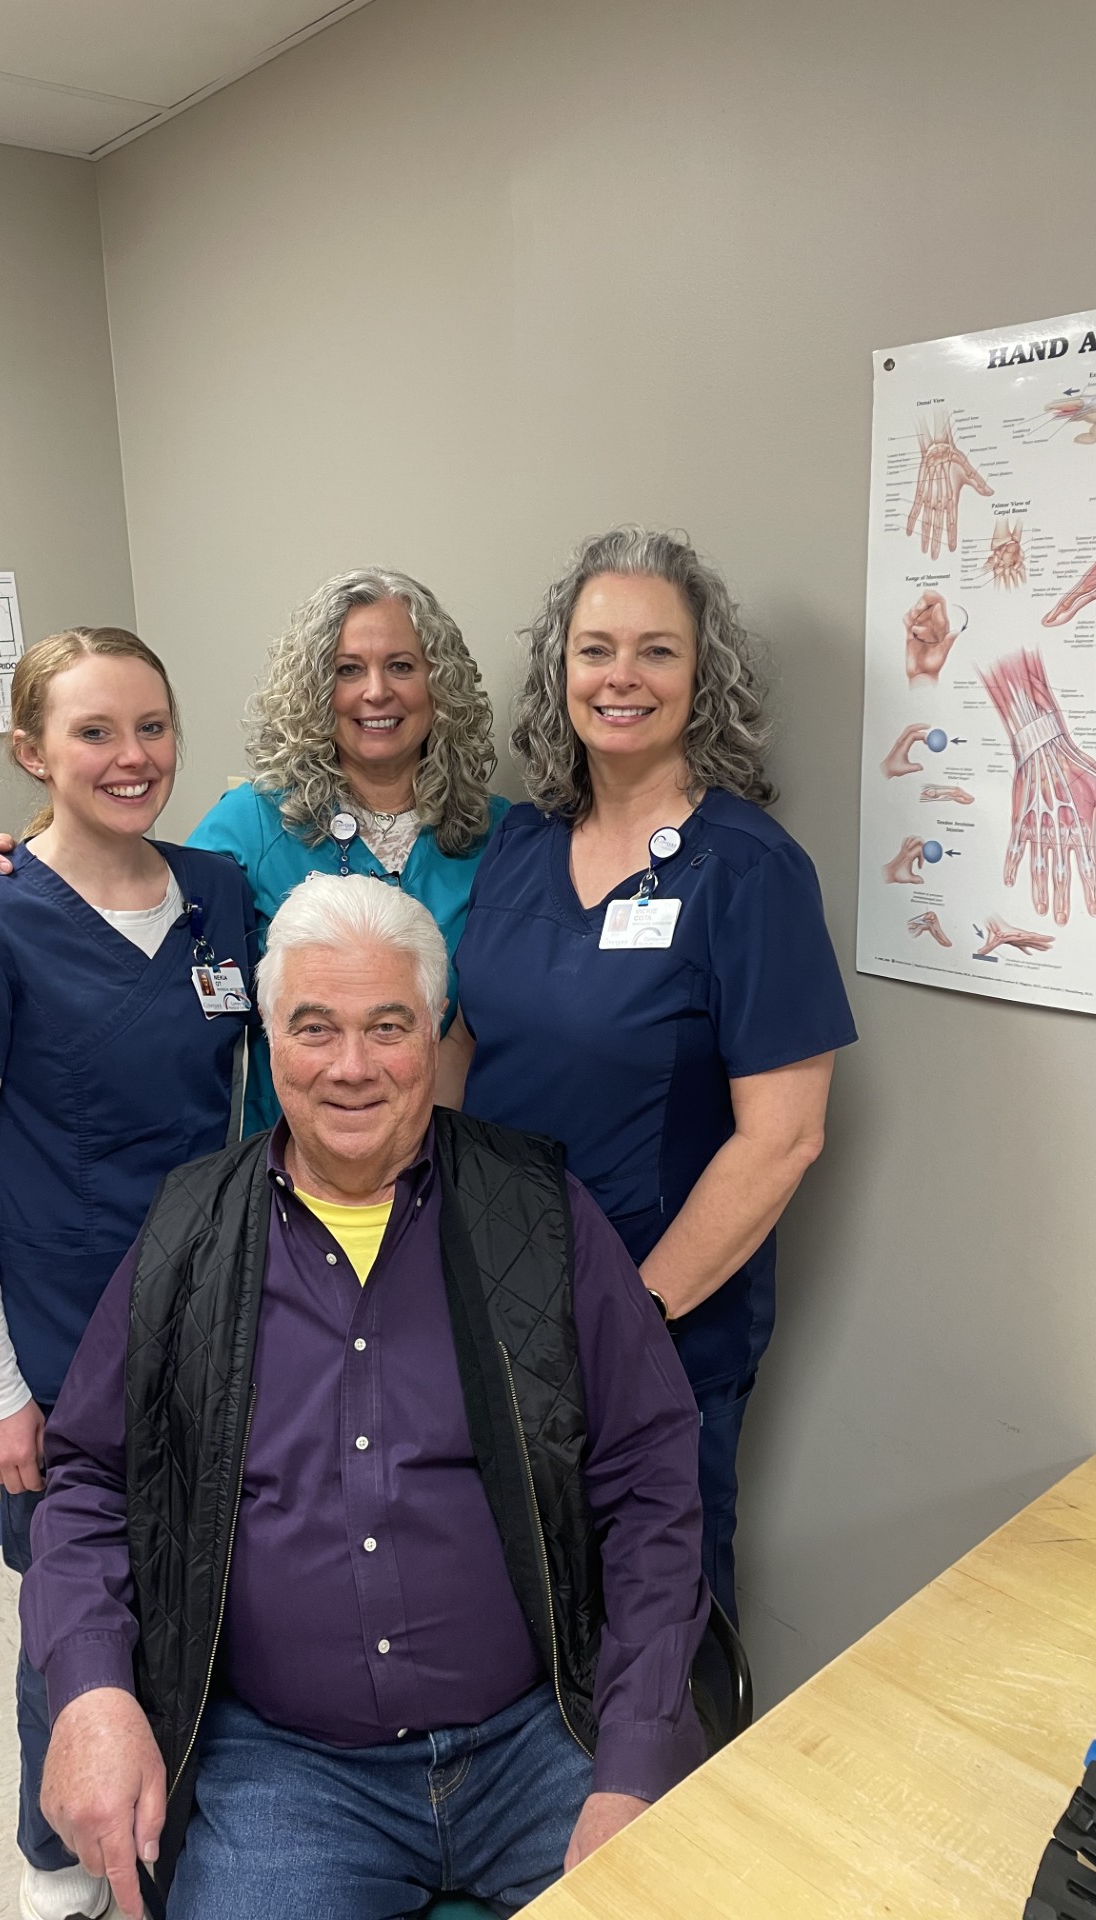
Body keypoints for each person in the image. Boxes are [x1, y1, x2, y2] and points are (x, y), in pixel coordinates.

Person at [21, 876, 710, 1920]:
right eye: (314, 1028)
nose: (350, 1067)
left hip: (545, 1738)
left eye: (387, 1026)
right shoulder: (187, 1233)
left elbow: (652, 1483)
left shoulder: (541, 1215)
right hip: (291, 1772)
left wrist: (636, 1761)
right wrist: (89, 1690)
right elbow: (88, 1481)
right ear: (271, 1039)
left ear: (433, 1037)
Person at [0, 627, 255, 1920]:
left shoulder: (219, 890)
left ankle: (183, 1809)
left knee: (202, 1577)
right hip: (57, 1330)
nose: (131, 756)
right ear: (31, 752)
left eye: (151, 727)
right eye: (94, 732)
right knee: (74, 1604)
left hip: (209, 1312)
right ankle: (57, 1869)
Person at [438, 528, 858, 1620]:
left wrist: (626, 1316)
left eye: (657, 652)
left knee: (657, 1627)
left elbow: (785, 1137)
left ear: (701, 677)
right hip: (492, 1298)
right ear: (560, 670)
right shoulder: (519, 846)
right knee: (512, 1600)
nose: (622, 677)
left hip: (659, 1323)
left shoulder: (750, 871)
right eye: (596, 649)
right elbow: (463, 1044)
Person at [0, 569, 511, 1133]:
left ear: (440, 683)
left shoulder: (502, 838)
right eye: (347, 670)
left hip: (452, 1153)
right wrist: (21, 870)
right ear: (315, 689)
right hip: (292, 1169)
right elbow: (133, 915)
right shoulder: (250, 825)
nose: (377, 691)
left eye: (402, 666)